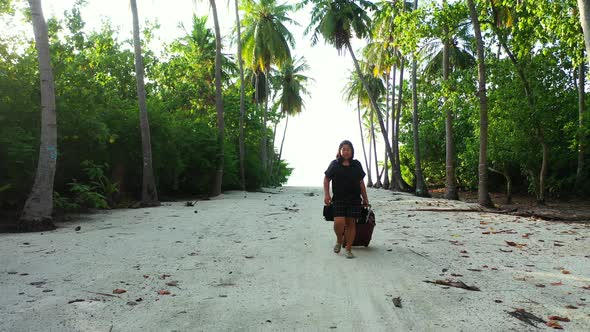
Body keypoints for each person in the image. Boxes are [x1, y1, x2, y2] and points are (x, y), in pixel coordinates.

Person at [323, 140, 369, 259]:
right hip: (338, 199)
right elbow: (326, 179)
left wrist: (365, 199)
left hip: (354, 199)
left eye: (348, 149)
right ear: (340, 151)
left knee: (351, 224)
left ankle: (348, 248)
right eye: (343, 149)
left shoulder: (356, 165)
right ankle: (339, 239)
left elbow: (361, 183)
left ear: (352, 151)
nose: (346, 151)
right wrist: (327, 195)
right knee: (339, 222)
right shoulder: (334, 164)